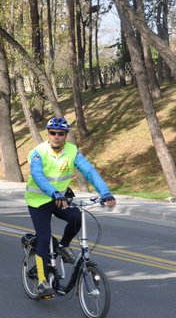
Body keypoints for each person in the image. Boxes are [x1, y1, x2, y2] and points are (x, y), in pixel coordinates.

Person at [25, 117, 116, 297]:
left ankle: (63, 246)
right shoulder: (38, 152)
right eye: (53, 133)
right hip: (38, 201)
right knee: (44, 238)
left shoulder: (72, 151)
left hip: (60, 199)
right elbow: (37, 175)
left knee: (76, 217)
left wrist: (105, 193)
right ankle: (43, 281)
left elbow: (89, 171)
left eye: (61, 134)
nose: (56, 137)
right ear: (48, 134)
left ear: (66, 135)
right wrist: (54, 193)